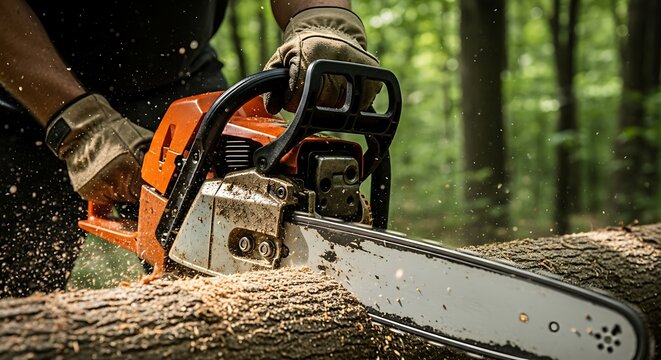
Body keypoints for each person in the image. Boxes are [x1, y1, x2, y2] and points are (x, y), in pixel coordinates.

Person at [0, 0, 380, 297]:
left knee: (212, 281)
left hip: (182, 79)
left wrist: (323, 22)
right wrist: (78, 125)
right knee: (15, 291)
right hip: (28, 92)